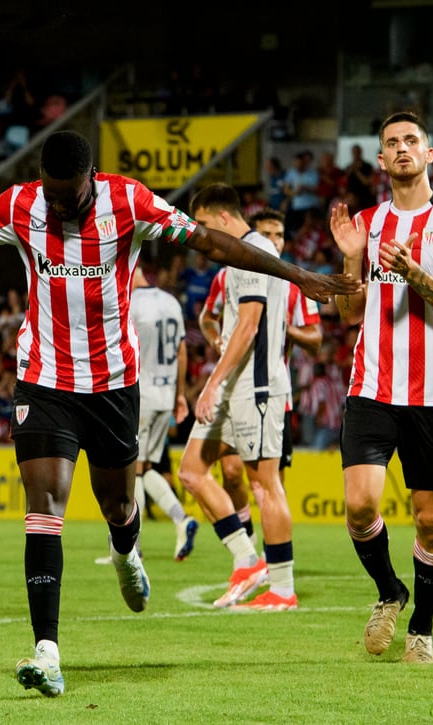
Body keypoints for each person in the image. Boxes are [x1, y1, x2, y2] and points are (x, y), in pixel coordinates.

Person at [0, 130, 357, 697]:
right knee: (44, 508)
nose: (60, 205)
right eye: (53, 195)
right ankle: (47, 651)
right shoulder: (22, 205)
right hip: (43, 382)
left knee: (118, 503)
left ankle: (124, 551)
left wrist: (298, 274)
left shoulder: (130, 202)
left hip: (113, 384)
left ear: (90, 178)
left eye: (70, 195)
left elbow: (215, 244)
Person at [329, 111, 433, 665]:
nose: (401, 149)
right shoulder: (366, 224)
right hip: (372, 383)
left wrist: (413, 270)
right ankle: (390, 591)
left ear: (430, 154)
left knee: (428, 519)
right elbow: (350, 314)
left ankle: (422, 624)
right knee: (358, 504)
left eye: (411, 140)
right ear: (379, 158)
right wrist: (351, 255)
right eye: (391, 143)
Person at [176, 184, 298, 612]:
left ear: (224, 217)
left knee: (265, 485)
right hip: (234, 384)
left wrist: (210, 383)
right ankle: (248, 560)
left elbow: (248, 326)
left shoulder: (254, 250)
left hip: (258, 385)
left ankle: (282, 588)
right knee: (191, 470)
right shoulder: (240, 257)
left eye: (206, 226)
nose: (205, 238)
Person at [196, 209, 321, 553]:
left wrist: (280, 326)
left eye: (279, 235)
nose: (274, 241)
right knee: (232, 473)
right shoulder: (227, 275)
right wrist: (216, 339)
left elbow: (316, 338)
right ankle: (249, 550)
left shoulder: (290, 285)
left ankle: (271, 562)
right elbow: (208, 317)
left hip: (270, 390)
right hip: (237, 386)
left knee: (268, 482)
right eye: (268, 233)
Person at [127, 264, 198, 560]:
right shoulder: (170, 301)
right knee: (145, 468)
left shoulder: (129, 304)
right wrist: (179, 394)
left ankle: (132, 547)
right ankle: (181, 519)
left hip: (139, 393)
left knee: (130, 471)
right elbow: (182, 351)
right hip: (165, 394)